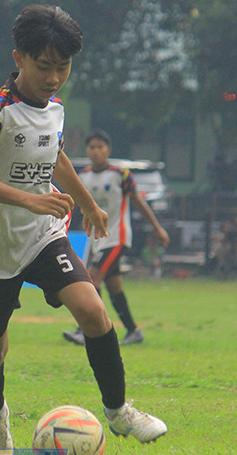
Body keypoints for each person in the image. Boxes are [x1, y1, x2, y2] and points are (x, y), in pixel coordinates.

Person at [0, 4, 167, 455]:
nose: (53, 78)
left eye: (63, 67)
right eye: (44, 67)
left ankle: (120, 411)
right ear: (19, 59)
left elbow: (56, 156)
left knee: (91, 308)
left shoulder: (56, 108)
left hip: (43, 234)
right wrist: (31, 198)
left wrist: (87, 204)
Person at [62, 130, 170, 346]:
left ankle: (86, 330)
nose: (96, 151)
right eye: (92, 147)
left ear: (108, 150)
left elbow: (139, 202)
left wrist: (157, 228)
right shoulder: (82, 176)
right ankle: (133, 331)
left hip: (116, 237)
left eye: (100, 147)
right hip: (96, 239)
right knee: (114, 287)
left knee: (91, 280)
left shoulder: (120, 175)